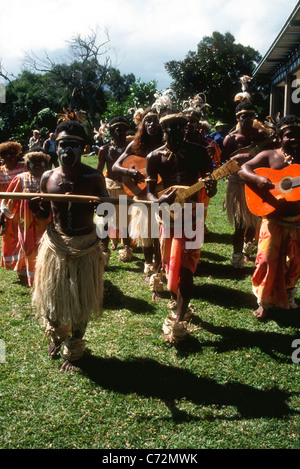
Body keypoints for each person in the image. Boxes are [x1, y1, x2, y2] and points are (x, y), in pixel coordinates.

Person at [31, 120, 107, 371]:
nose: (67, 150)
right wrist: (37, 208)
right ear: (55, 146)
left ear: (84, 148)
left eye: (73, 145)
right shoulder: (48, 177)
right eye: (63, 144)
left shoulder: (94, 177)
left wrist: (101, 238)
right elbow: (44, 216)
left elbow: (106, 214)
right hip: (56, 244)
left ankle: (75, 345)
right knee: (52, 294)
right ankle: (55, 333)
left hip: (85, 244)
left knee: (81, 299)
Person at [146, 111, 217, 344]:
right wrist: (158, 202)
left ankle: (179, 318)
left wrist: (211, 186)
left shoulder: (198, 152)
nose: (175, 133)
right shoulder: (154, 156)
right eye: (170, 129)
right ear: (162, 130)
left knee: (186, 265)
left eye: (180, 129)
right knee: (170, 264)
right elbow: (149, 191)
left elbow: (210, 184)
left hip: (193, 213)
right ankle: (177, 298)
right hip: (167, 214)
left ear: (185, 130)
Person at [239, 115, 300, 320]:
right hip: (273, 219)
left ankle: (289, 296)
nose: (294, 140)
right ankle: (264, 302)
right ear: (279, 137)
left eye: (298, 136)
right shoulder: (270, 156)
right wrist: (257, 178)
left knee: (295, 263)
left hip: (297, 220)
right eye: (289, 136)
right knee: (266, 261)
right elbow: (244, 169)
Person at [112, 108, 164, 292]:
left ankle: (160, 265)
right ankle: (149, 264)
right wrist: (130, 171)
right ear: (143, 125)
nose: (152, 124)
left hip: (161, 191)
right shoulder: (135, 145)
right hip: (142, 194)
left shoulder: (166, 144)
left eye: (155, 121)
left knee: (160, 233)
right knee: (146, 232)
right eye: (148, 121)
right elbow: (116, 165)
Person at [221, 101, 272, 268]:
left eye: (251, 116)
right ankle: (237, 259)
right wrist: (237, 160)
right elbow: (224, 163)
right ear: (237, 118)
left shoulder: (261, 135)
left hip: (256, 182)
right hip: (237, 184)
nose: (248, 119)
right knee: (240, 224)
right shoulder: (231, 139)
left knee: (254, 221)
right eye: (244, 116)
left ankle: (247, 252)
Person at [0, 148, 51, 287]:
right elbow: (9, 200)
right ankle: (32, 278)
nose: (38, 165)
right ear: (27, 165)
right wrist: (3, 216)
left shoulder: (51, 178)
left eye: (41, 162)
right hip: (26, 223)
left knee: (46, 248)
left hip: (47, 221)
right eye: (34, 162)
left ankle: (46, 277)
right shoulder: (21, 179)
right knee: (28, 247)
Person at [97, 116, 133, 261]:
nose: (122, 133)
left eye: (124, 130)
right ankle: (103, 250)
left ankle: (127, 248)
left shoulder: (131, 148)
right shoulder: (104, 149)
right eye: (118, 130)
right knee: (106, 220)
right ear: (111, 132)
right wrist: (98, 189)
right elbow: (98, 171)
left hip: (127, 188)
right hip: (109, 187)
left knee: (126, 220)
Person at [0, 141, 27, 279]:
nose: (11, 157)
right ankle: (16, 265)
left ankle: (24, 266)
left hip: (23, 208)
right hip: (6, 210)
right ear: (2, 156)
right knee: (11, 238)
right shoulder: (0, 172)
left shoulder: (24, 168)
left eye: (14, 153)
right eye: (7, 154)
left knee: (23, 236)